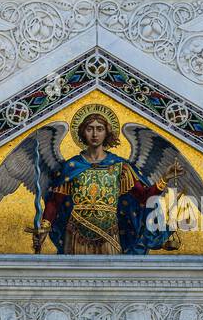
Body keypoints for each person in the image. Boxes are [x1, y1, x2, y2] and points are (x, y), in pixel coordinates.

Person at [33, 104, 170, 255]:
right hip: (76, 234)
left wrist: (165, 178)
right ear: (83, 132)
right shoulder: (71, 167)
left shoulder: (120, 166)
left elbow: (144, 197)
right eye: (89, 129)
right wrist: (44, 227)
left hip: (109, 235)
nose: (94, 134)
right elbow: (55, 202)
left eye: (99, 129)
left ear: (106, 133)